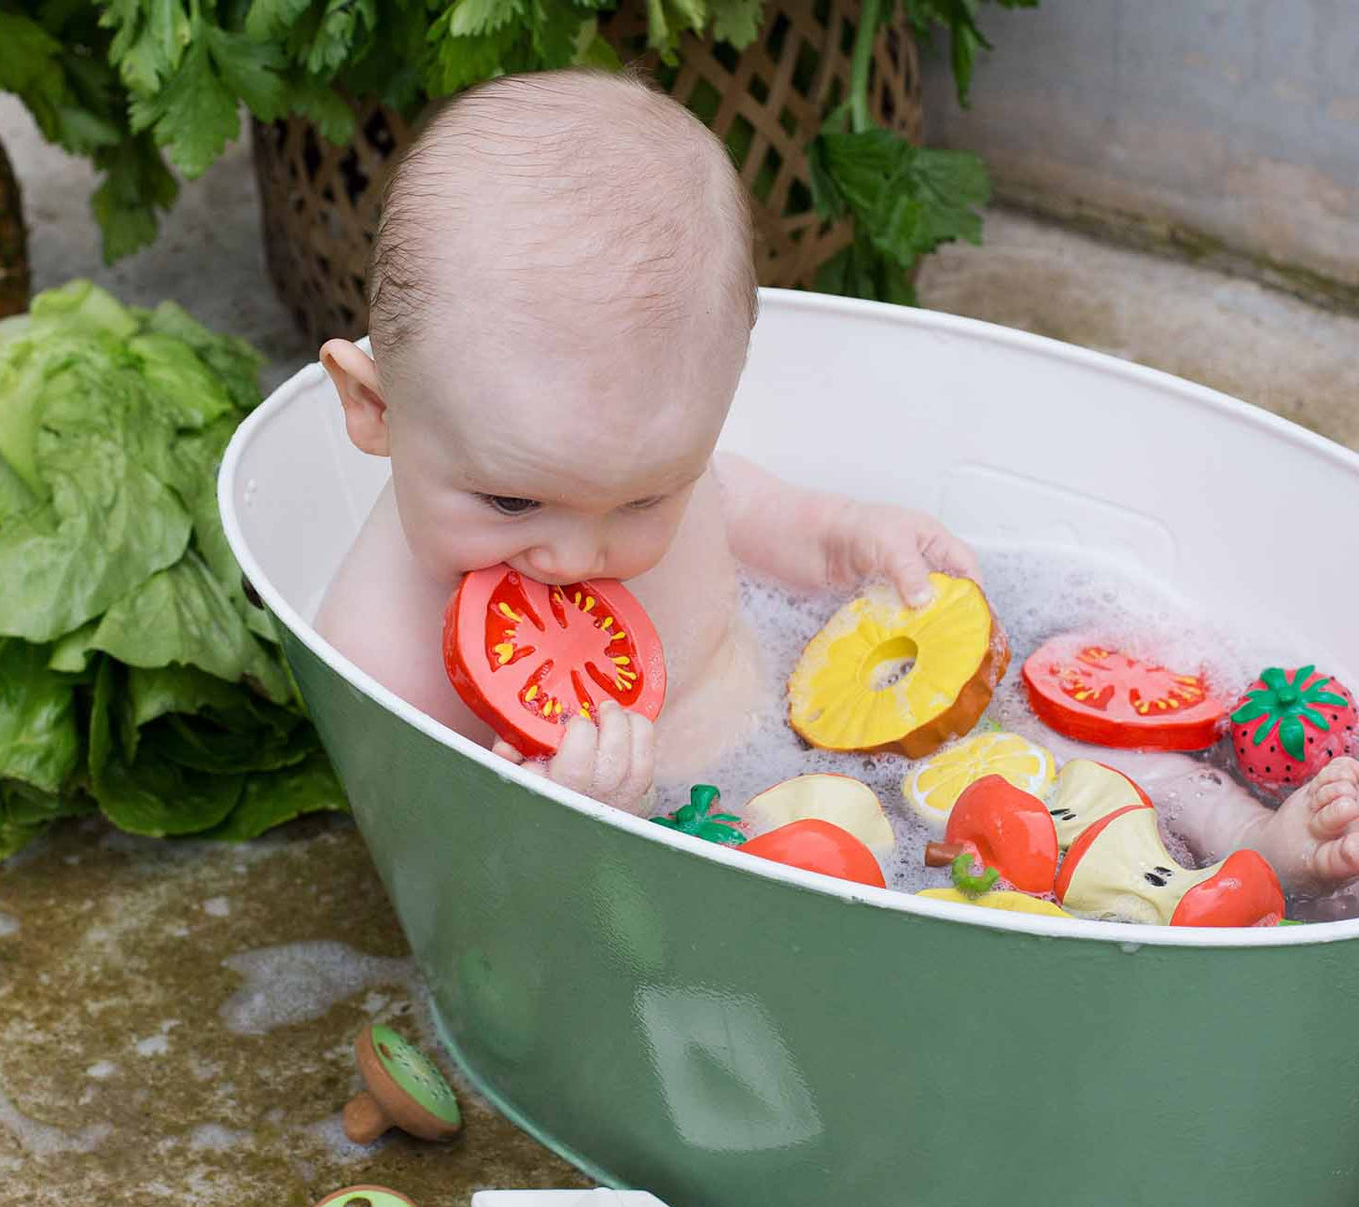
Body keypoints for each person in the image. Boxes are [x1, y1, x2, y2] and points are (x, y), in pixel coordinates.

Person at [317, 65, 1359, 900]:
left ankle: (1242, 846)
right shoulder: (377, 640)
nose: (578, 555)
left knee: (1046, 764)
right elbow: (442, 863)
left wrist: (852, 537)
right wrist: (548, 807)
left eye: (644, 501)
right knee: (908, 892)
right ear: (374, 411)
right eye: (507, 504)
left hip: (817, 730)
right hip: (710, 845)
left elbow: (760, 515)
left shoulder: (628, 466)